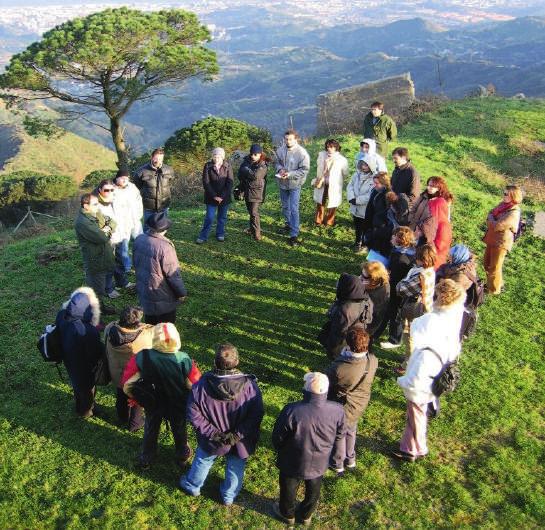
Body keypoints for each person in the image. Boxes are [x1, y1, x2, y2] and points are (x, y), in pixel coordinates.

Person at [179, 343, 264, 506]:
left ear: (214, 362)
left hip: (212, 440)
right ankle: (228, 496)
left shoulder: (200, 386)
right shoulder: (250, 386)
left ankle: (192, 486)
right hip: (239, 442)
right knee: (236, 465)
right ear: (237, 362)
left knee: (203, 461)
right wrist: (237, 434)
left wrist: (212, 433)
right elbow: (256, 414)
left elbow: (193, 413)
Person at [393, 279, 466, 462]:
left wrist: (403, 382)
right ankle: (410, 444)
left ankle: (414, 449)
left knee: (416, 412)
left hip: (425, 370)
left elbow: (416, 332)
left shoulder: (430, 321)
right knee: (417, 411)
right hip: (441, 365)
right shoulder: (455, 314)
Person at [122, 322, 201, 469]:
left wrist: (136, 398)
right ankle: (182, 456)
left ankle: (147, 458)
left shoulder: (142, 356)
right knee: (179, 429)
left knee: (151, 428)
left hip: (153, 401)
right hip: (177, 403)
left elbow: (128, 383)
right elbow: (195, 385)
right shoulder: (184, 359)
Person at [271, 372, 345, 526]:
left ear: (306, 390)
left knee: (288, 488)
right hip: (320, 460)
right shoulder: (338, 410)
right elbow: (340, 434)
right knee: (314, 488)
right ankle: (306, 515)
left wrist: (279, 448)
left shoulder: (292, 410)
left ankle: (287, 514)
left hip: (292, 459)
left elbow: (278, 436)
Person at [327, 326, 378, 475]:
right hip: (360, 402)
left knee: (339, 434)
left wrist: (343, 356)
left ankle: (337, 463)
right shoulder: (372, 360)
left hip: (344, 405)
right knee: (351, 430)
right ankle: (350, 458)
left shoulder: (340, 367)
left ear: (348, 344)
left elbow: (327, 381)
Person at [55, 287, 103, 418]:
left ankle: (80, 404)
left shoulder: (62, 314)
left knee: (77, 384)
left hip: (68, 358)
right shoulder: (87, 330)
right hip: (84, 365)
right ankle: (86, 411)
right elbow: (95, 352)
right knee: (87, 389)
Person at [104, 306, 153, 431]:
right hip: (134, 377)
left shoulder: (110, 328)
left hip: (116, 373)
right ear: (136, 322)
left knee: (121, 394)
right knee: (135, 399)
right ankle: (135, 424)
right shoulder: (144, 336)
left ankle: (122, 416)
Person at [133, 211, 187, 324]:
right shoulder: (165, 247)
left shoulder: (139, 239)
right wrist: (181, 293)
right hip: (162, 294)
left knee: (150, 322)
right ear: (165, 229)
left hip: (145, 289)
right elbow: (173, 275)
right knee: (165, 328)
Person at [394, 243, 436, 371]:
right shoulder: (430, 272)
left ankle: (408, 364)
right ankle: (410, 356)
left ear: (422, 260)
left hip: (414, 309)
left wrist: (401, 281)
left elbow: (401, 289)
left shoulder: (419, 276)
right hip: (426, 307)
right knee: (416, 336)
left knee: (410, 337)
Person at [74, 193, 116, 314]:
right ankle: (94, 317)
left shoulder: (96, 213)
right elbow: (101, 238)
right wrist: (105, 230)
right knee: (95, 290)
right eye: (95, 204)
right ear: (85, 205)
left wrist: (106, 229)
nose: (98, 206)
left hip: (103, 255)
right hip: (95, 260)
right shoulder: (82, 222)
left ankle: (101, 308)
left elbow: (113, 222)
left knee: (100, 288)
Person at [379, 227, 417, 349]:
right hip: (396, 286)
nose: (391, 238)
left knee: (395, 313)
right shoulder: (406, 251)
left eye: (394, 236)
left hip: (397, 289)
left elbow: (395, 275)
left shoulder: (401, 258)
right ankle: (379, 330)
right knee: (389, 310)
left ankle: (395, 339)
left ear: (400, 240)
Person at [321, 273, 373, 360]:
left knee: (336, 351)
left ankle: (335, 357)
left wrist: (332, 346)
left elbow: (339, 332)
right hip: (359, 332)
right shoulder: (366, 299)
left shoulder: (344, 309)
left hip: (345, 338)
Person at [483, 185, 522, 294]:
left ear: (513, 196)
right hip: (492, 239)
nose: (503, 195)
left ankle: (494, 289)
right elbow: (490, 213)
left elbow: (497, 226)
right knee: (486, 263)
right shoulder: (503, 205)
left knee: (494, 267)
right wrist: (491, 219)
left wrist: (490, 219)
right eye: (503, 193)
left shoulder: (514, 212)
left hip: (501, 243)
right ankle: (497, 283)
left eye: (506, 194)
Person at [275, 129, 310, 247]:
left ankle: (294, 234)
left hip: (295, 184)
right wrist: (280, 169)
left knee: (294, 208)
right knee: (285, 206)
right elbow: (277, 163)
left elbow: (304, 169)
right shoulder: (280, 150)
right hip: (282, 183)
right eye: (286, 139)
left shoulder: (302, 153)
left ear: (296, 139)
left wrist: (290, 174)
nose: (288, 141)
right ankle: (288, 224)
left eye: (290, 139)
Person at [409, 176, 454, 268]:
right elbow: (414, 208)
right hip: (415, 228)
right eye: (428, 185)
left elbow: (440, 220)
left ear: (439, 188)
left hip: (425, 233)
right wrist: (411, 221)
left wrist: (422, 230)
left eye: (432, 186)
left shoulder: (440, 202)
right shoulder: (424, 195)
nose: (429, 188)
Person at [112, 169, 144, 288]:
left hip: (134, 220)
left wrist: (138, 216)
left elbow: (138, 201)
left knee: (140, 243)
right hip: (120, 224)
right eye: (122, 178)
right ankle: (126, 267)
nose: (125, 180)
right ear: (117, 178)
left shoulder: (132, 187)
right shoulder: (111, 189)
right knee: (123, 247)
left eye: (127, 178)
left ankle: (141, 263)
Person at [196, 147, 234, 244]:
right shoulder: (207, 166)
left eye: (219, 157)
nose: (216, 159)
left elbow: (230, 183)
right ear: (212, 156)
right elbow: (206, 182)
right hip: (211, 197)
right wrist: (214, 196)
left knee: (222, 217)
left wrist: (221, 196)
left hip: (224, 198)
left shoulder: (228, 166)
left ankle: (220, 233)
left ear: (222, 157)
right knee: (209, 217)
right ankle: (203, 236)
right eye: (214, 156)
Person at [311, 139, 349, 227]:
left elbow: (345, 173)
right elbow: (318, 167)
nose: (329, 149)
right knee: (320, 201)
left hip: (334, 184)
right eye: (327, 147)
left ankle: (329, 221)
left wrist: (337, 179)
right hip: (322, 182)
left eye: (331, 147)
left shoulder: (342, 160)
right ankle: (318, 220)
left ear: (336, 147)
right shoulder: (321, 155)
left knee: (333, 202)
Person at [133, 147, 175, 225]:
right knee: (147, 227)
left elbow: (170, 182)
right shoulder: (141, 171)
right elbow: (137, 186)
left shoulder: (169, 170)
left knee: (162, 226)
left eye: (160, 159)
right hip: (149, 206)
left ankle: (161, 237)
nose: (157, 161)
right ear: (151, 157)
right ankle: (146, 237)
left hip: (164, 205)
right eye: (156, 158)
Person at [237, 144, 268, 241]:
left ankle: (257, 234)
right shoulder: (246, 161)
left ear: (260, 154)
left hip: (257, 192)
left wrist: (246, 170)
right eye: (252, 154)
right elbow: (239, 174)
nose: (253, 156)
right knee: (250, 212)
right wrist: (247, 172)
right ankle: (251, 229)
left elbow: (256, 176)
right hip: (247, 190)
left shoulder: (263, 164)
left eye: (256, 154)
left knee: (254, 213)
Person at [347, 156, 377, 254]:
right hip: (355, 206)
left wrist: (358, 200)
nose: (364, 167)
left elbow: (370, 194)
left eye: (366, 165)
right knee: (357, 225)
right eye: (363, 164)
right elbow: (350, 186)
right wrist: (351, 197)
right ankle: (357, 242)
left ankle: (364, 244)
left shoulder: (374, 178)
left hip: (365, 208)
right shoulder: (356, 174)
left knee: (365, 227)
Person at [363, 172, 392, 259]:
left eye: (377, 183)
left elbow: (387, 213)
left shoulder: (388, 195)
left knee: (378, 251)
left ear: (384, 184)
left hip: (380, 227)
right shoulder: (375, 191)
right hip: (372, 224)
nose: (374, 185)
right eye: (374, 182)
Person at [360, 261, 390, 342]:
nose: (360, 277)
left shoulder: (376, 295)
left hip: (366, 325)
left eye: (364, 277)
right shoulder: (381, 283)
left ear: (374, 279)